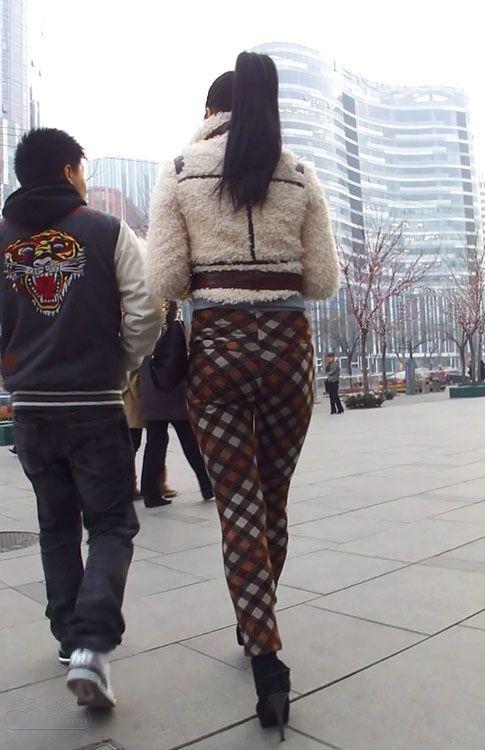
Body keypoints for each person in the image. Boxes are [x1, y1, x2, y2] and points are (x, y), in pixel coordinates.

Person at [146, 54, 339, 738]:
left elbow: (165, 277)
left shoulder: (179, 171)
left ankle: (265, 655)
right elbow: (322, 281)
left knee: (238, 506)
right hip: (287, 352)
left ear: (209, 113)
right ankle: (256, 613)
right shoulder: (300, 174)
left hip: (219, 353)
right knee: (273, 499)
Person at [0, 128, 161, 708]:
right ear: (69, 171)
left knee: (56, 525)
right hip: (92, 406)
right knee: (112, 524)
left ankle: (70, 639)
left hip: (31, 412)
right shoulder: (106, 230)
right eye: (83, 170)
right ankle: (93, 644)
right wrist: (121, 364)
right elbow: (146, 309)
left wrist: (16, 371)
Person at [139, 301, 214, 506]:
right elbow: (179, 362)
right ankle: (207, 485)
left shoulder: (146, 327)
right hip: (173, 394)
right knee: (190, 441)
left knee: (154, 443)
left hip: (151, 390)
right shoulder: (175, 328)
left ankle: (150, 492)